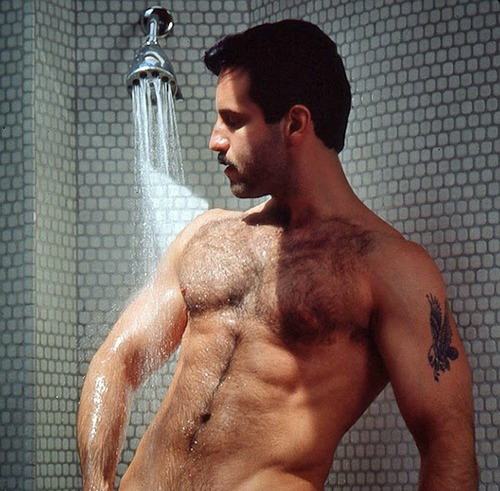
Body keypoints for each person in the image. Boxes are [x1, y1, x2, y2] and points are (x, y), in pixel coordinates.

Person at [78, 20, 478, 490]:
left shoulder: (389, 267)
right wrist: (96, 485)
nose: (215, 140)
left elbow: (446, 443)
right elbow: (117, 361)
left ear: (295, 123)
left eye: (233, 121)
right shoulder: (206, 235)